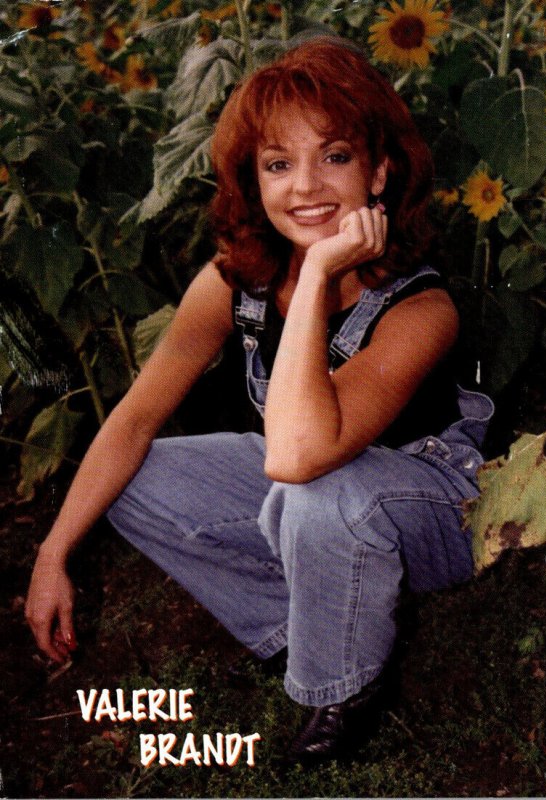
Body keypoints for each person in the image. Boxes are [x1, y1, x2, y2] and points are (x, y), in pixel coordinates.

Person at [26, 37, 493, 763]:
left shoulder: (421, 310)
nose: (305, 186)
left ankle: (344, 685)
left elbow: (302, 456)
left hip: (437, 514)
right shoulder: (231, 284)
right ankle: (295, 630)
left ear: (379, 172)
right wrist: (52, 554)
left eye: (334, 156)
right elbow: (136, 418)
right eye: (278, 164)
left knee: (319, 492)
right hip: (315, 493)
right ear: (254, 178)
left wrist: (318, 274)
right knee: (134, 477)